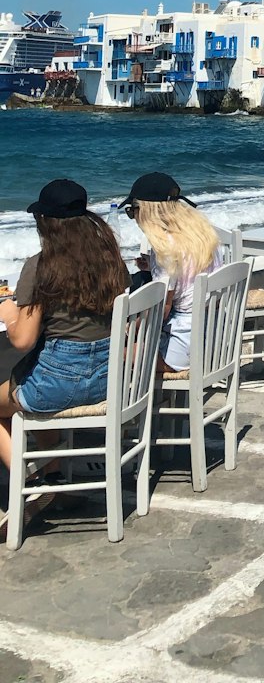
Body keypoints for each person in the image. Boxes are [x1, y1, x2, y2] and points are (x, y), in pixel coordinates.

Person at [0, 180, 130, 481]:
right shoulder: (110, 261)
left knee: (31, 383)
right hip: (109, 381)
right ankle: (53, 475)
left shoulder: (42, 266)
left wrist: (9, 314)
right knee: (33, 376)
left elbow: (23, 340)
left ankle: (31, 481)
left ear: (46, 223)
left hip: (57, 386)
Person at [123, 172, 224, 371]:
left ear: (148, 211)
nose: (133, 217)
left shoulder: (166, 249)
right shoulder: (202, 234)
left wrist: (128, 329)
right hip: (213, 333)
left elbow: (161, 310)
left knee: (112, 354)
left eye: (133, 210)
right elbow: (187, 274)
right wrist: (152, 267)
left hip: (182, 347)